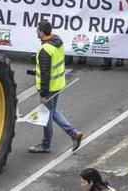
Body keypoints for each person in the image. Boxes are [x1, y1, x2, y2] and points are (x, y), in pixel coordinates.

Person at [27, 20, 83, 154]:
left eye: (37, 29)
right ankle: (74, 133)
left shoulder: (45, 49)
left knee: (46, 116)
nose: (36, 31)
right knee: (52, 113)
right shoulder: (57, 41)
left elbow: (46, 73)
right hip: (58, 84)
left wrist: (43, 94)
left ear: (41, 32)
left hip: (49, 88)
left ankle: (46, 144)